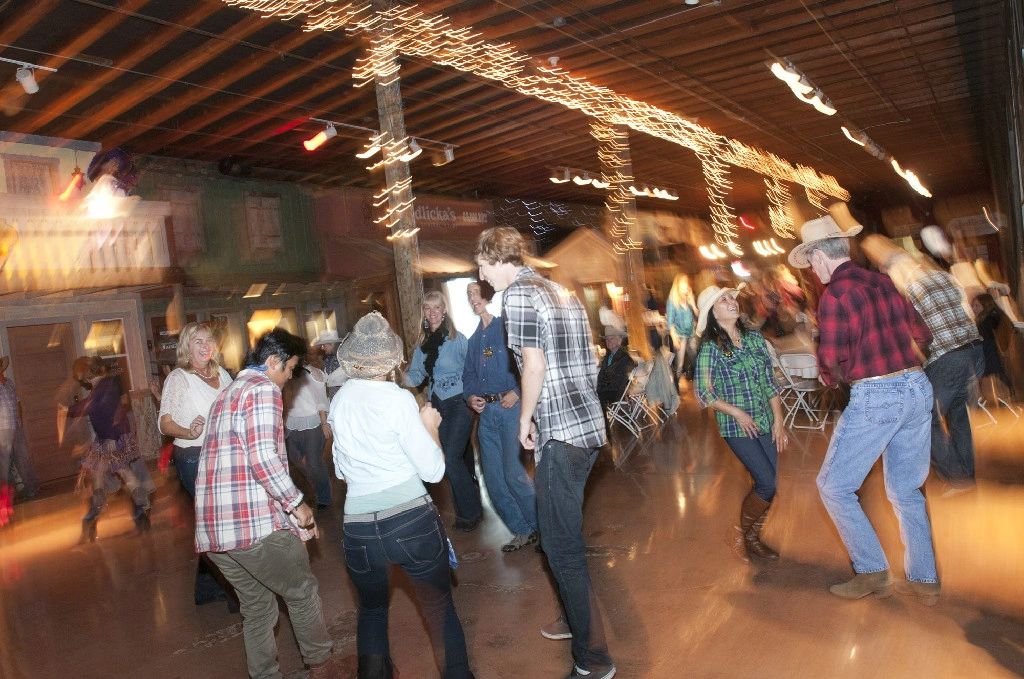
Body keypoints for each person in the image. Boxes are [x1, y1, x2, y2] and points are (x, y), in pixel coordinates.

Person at [476, 226, 615, 679]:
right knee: (562, 534)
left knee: (560, 547)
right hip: (588, 427)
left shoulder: (517, 295)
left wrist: (524, 419)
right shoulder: (559, 291)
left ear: (498, 258)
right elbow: (587, 361)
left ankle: (593, 661)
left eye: (482, 265)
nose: (481, 275)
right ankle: (574, 620)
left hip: (563, 435)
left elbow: (533, 365)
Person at [788, 215, 940, 606]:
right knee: (906, 490)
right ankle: (924, 579)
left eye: (812, 263)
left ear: (819, 256)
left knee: (834, 486)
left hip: (878, 395)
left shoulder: (835, 296)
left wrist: (831, 376)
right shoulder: (884, 281)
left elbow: (831, 361)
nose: (813, 272)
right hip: (917, 386)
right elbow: (923, 334)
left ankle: (871, 570)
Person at [329, 312, 477, 679]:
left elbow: (341, 472)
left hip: (359, 528)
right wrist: (430, 428)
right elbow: (434, 471)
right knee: (438, 609)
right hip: (411, 521)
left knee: (372, 612)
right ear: (392, 360)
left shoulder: (339, 401)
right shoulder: (397, 399)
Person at [195, 329, 347, 679]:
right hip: (251, 527)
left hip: (215, 535)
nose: (290, 378)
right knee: (302, 591)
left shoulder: (227, 393)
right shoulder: (263, 389)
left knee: (258, 607)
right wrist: (297, 504)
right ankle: (322, 666)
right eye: (290, 369)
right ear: (273, 361)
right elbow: (263, 457)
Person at [693, 286, 786, 560]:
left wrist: (779, 420)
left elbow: (769, 383)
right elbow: (703, 393)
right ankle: (738, 533)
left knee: (770, 483)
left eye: (731, 297)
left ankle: (752, 537)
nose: (731, 301)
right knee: (766, 482)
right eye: (723, 300)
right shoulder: (711, 348)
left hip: (765, 419)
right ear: (713, 313)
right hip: (737, 426)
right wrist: (737, 412)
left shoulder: (755, 339)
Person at [158, 322, 236, 607]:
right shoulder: (179, 378)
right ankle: (235, 592)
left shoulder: (222, 373)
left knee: (217, 521)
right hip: (195, 455)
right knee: (221, 521)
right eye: (197, 341)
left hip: (224, 453)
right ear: (186, 347)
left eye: (209, 340)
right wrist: (188, 432)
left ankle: (206, 587)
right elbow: (165, 423)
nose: (205, 346)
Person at [891, 254, 983, 486]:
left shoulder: (910, 290)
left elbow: (912, 336)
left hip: (947, 359)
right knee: (960, 417)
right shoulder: (944, 277)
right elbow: (971, 309)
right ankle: (967, 475)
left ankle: (956, 477)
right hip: (974, 351)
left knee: (923, 417)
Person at [462, 280, 538, 552]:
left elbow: (527, 361)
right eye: (469, 294)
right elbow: (468, 377)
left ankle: (541, 527)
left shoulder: (505, 328)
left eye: (476, 292)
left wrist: (517, 391)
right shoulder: (473, 341)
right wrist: (471, 397)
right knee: (493, 481)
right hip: (487, 417)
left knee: (513, 474)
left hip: (510, 410)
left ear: (487, 296)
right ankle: (522, 530)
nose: (473, 297)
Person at [404, 291, 483, 532]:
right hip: (436, 406)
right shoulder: (422, 346)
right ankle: (471, 506)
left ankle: (470, 514)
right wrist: (396, 375)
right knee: (454, 460)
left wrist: (474, 397)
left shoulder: (457, 340)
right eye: (427, 308)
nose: (432, 313)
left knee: (451, 459)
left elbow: (473, 369)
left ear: (444, 310)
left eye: (436, 307)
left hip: (459, 402)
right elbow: (415, 376)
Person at [72, 358, 154, 543]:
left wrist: (111, 436)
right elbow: (94, 407)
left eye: (79, 375)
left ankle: (93, 523)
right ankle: (95, 523)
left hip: (110, 440)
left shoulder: (104, 387)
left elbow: (104, 410)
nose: (80, 379)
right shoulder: (104, 385)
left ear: (85, 374)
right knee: (104, 477)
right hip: (107, 439)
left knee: (118, 475)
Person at [284, 358, 333, 509]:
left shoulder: (309, 373)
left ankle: (324, 496)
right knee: (295, 458)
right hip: (291, 423)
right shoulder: (285, 374)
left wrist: (324, 423)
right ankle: (317, 483)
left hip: (312, 422)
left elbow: (320, 400)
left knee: (314, 462)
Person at [973, 292, 1013, 391]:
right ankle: (1009, 391)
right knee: (994, 373)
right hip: (989, 351)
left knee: (992, 373)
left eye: (977, 305)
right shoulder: (987, 317)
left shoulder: (988, 320)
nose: (974, 309)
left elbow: (984, 336)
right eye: (973, 306)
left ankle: (1008, 391)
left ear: (985, 305)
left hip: (989, 351)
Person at [596, 327, 636, 410]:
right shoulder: (608, 357)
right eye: (606, 339)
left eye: (611, 338)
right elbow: (601, 376)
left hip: (618, 392)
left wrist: (600, 390)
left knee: (594, 396)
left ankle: (602, 417)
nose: (608, 341)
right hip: (609, 390)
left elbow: (620, 381)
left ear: (619, 340)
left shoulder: (624, 357)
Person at [666, 274, 697, 379]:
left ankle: (698, 379)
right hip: (679, 335)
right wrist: (674, 338)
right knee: (679, 364)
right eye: (683, 285)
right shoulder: (672, 300)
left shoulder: (689, 298)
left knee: (695, 358)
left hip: (691, 333)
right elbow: (670, 322)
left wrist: (693, 304)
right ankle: (676, 385)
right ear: (677, 285)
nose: (685, 288)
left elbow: (696, 315)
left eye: (686, 284)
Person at [312, 329, 343, 399]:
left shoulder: (343, 361)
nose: (322, 348)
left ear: (332, 345)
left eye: (324, 345)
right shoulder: (326, 360)